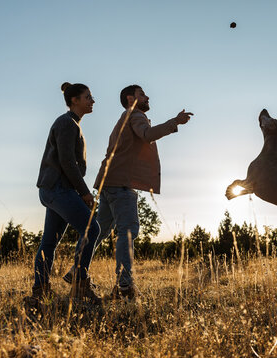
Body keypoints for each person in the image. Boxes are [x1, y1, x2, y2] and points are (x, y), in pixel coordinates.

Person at [63, 84, 193, 300]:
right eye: (142, 94)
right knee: (128, 230)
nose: (147, 97)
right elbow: (147, 135)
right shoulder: (135, 114)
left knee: (99, 229)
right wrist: (175, 122)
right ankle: (125, 286)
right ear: (131, 98)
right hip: (121, 183)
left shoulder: (125, 117)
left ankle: (77, 271)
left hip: (108, 181)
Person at [29, 82, 101, 304]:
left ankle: (40, 289)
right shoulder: (67, 123)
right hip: (58, 188)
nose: (93, 100)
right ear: (74, 100)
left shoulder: (72, 124)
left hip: (56, 189)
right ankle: (79, 283)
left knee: (50, 241)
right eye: (88, 97)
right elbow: (67, 162)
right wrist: (85, 193)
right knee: (92, 229)